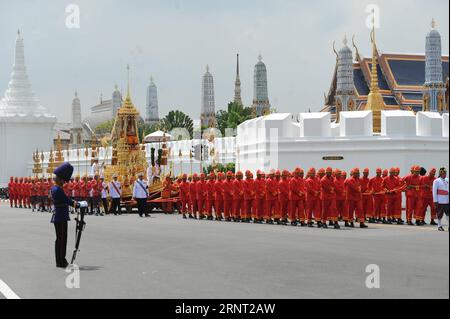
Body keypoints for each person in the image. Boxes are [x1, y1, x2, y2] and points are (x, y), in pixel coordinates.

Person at [51, 162, 86, 268]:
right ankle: (61, 261)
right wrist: (77, 204)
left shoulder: (56, 188)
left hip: (60, 215)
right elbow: (66, 200)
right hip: (60, 216)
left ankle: (60, 260)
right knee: (61, 239)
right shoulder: (57, 189)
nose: (64, 182)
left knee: (60, 239)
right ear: (61, 179)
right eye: (63, 180)